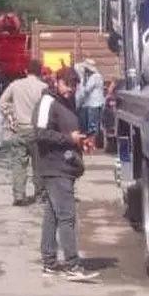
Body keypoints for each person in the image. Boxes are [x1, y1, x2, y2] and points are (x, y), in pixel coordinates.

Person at [33, 65, 98, 282]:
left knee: (53, 215)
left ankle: (50, 263)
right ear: (57, 82)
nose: (70, 89)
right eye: (67, 84)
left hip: (64, 166)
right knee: (67, 217)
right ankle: (72, 265)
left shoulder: (66, 102)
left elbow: (66, 131)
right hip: (54, 167)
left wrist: (80, 141)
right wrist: (69, 139)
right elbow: (40, 133)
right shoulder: (48, 101)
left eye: (74, 85)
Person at [0, 59, 48, 206]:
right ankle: (40, 194)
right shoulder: (44, 87)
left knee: (19, 164)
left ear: (26, 71)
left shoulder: (16, 85)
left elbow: (2, 102)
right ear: (40, 72)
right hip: (37, 131)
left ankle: (19, 195)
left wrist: (10, 117)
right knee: (39, 164)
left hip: (19, 129)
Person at [77, 58, 105, 145]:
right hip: (99, 102)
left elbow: (87, 90)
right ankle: (97, 142)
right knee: (97, 123)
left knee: (92, 125)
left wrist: (82, 83)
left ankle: (92, 142)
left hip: (93, 103)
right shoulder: (99, 76)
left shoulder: (93, 77)